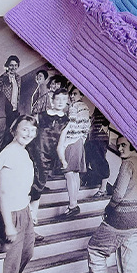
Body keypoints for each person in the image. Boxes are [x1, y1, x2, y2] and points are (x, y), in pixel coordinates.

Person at [87, 137, 137, 273]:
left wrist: (108, 209)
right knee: (130, 259)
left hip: (122, 219)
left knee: (95, 249)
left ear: (133, 144)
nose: (119, 148)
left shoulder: (128, 163)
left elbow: (118, 194)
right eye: (118, 145)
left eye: (123, 145)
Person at [0, 115, 38, 273]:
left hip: (23, 209)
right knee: (11, 264)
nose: (29, 133)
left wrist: (29, 209)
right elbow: (3, 193)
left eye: (33, 130)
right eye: (25, 129)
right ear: (14, 130)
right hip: (10, 212)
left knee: (28, 252)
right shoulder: (9, 154)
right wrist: (9, 225)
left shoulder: (23, 152)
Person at [27, 88, 69, 225]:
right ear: (52, 100)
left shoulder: (66, 121)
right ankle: (28, 215)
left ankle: (32, 214)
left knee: (39, 185)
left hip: (48, 158)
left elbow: (60, 144)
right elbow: (29, 133)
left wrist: (63, 160)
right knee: (30, 184)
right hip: (33, 153)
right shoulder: (40, 116)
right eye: (58, 99)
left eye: (64, 99)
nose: (60, 102)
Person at [57, 86, 91, 219]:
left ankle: (73, 206)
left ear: (81, 95)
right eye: (71, 94)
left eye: (75, 94)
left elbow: (70, 126)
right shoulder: (85, 107)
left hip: (72, 141)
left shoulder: (74, 106)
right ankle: (74, 203)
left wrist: (65, 143)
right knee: (75, 174)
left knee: (69, 173)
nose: (72, 96)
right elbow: (86, 127)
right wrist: (81, 139)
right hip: (79, 142)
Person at [83, 106, 112, 197]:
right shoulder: (97, 108)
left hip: (99, 138)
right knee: (91, 161)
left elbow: (110, 112)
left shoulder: (105, 105)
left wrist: (105, 125)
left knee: (101, 162)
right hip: (92, 138)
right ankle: (92, 182)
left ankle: (103, 189)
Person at [0, 55, 22, 145]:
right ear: (7, 66)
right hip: (4, 111)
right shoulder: (2, 78)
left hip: (15, 110)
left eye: (15, 65)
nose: (13, 67)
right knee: (4, 134)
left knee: (12, 133)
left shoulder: (18, 78)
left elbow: (17, 94)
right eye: (11, 65)